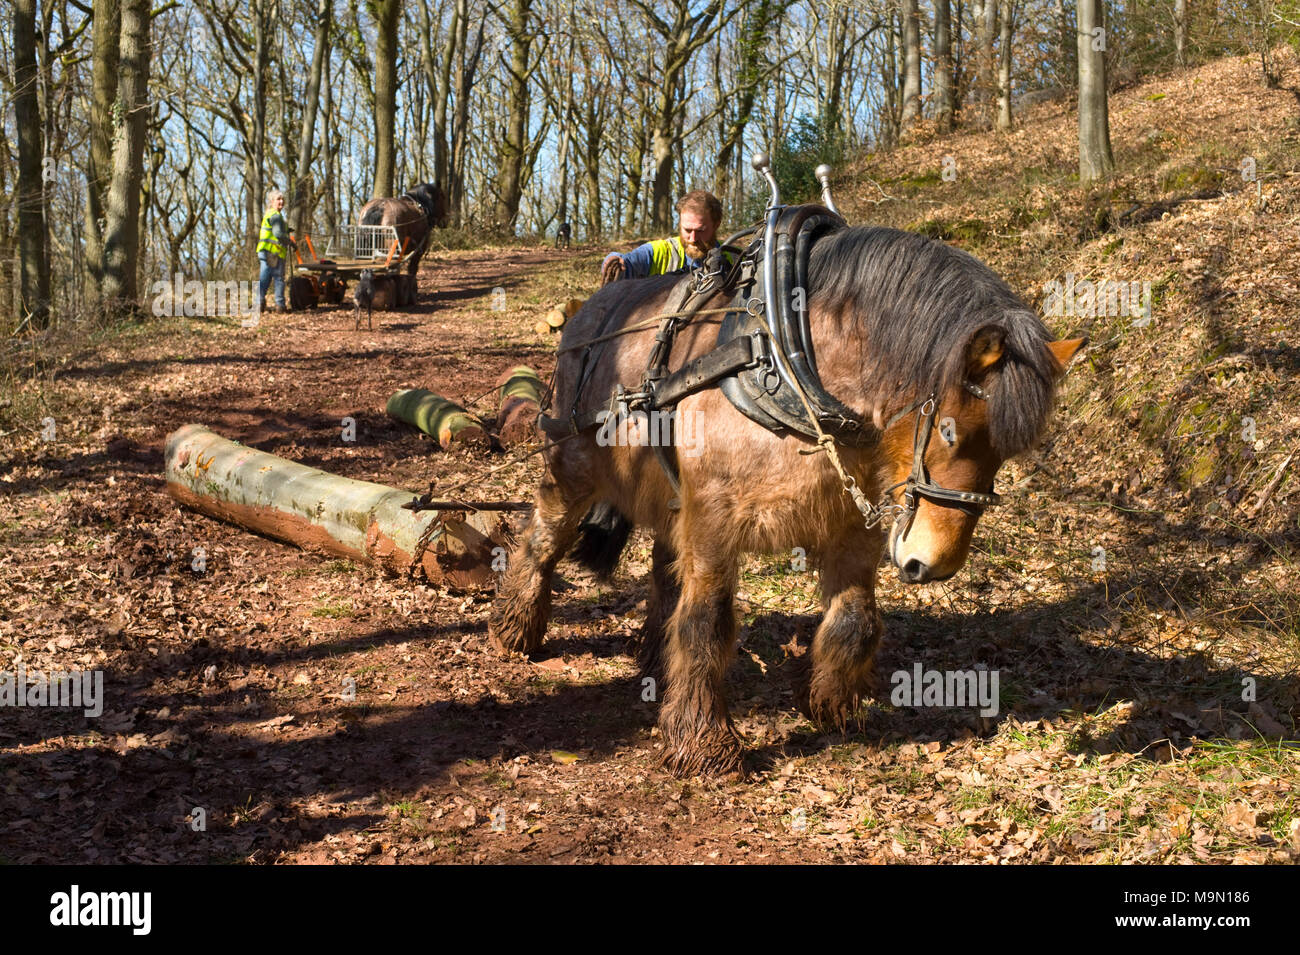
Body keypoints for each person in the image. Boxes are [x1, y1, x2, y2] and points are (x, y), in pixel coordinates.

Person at [600, 190, 725, 285]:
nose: (693, 238)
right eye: (687, 230)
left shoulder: (732, 259)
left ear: (716, 224)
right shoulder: (660, 252)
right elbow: (627, 263)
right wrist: (614, 261)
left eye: (700, 230)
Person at [256, 190, 294, 312]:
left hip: (264, 251)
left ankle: (259, 303)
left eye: (282, 199)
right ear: (272, 202)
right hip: (273, 253)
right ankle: (280, 306)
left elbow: (275, 230)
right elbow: (277, 233)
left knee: (264, 279)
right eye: (278, 199)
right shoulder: (276, 216)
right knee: (278, 279)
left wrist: (286, 229)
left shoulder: (269, 214)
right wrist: (290, 242)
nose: (281, 201)